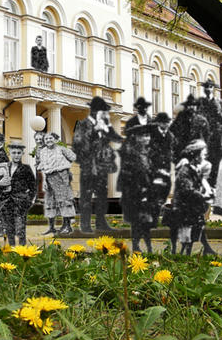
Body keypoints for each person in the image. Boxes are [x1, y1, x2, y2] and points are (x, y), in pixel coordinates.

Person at [72, 96, 122, 232]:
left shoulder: (104, 125)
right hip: (88, 167)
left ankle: (101, 223)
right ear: (95, 111)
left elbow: (115, 137)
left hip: (101, 167)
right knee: (86, 196)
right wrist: (95, 130)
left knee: (101, 196)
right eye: (103, 111)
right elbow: (78, 145)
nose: (106, 114)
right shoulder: (82, 125)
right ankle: (85, 225)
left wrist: (111, 129)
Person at [119, 124, 159, 253]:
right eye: (144, 136)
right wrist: (139, 189)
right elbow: (126, 174)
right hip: (134, 193)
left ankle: (147, 246)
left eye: (148, 135)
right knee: (137, 221)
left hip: (148, 192)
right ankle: (136, 245)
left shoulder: (148, 153)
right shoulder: (130, 153)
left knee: (147, 221)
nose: (147, 138)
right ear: (136, 138)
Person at [173, 139, 216, 255]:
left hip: (191, 206)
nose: (204, 156)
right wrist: (202, 195)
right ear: (196, 156)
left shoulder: (194, 169)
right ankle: (185, 256)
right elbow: (188, 190)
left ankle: (202, 250)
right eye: (203, 154)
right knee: (189, 231)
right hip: (184, 207)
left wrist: (208, 192)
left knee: (197, 227)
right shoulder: (185, 171)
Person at [0, 141, 36, 246]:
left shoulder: (26, 168)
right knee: (9, 229)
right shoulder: (3, 167)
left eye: (18, 153)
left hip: (20, 203)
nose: (16, 155)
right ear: (9, 153)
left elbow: (33, 186)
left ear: (22, 153)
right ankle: (12, 250)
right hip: (6, 202)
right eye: (14, 153)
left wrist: (29, 201)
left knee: (20, 229)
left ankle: (22, 251)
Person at [36, 132, 77, 234]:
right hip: (49, 177)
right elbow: (44, 167)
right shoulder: (43, 151)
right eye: (46, 139)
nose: (48, 140)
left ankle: (67, 226)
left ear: (55, 139)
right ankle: (51, 227)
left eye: (50, 138)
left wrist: (64, 167)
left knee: (64, 200)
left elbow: (73, 157)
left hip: (61, 176)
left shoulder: (61, 149)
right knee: (50, 201)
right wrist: (45, 180)